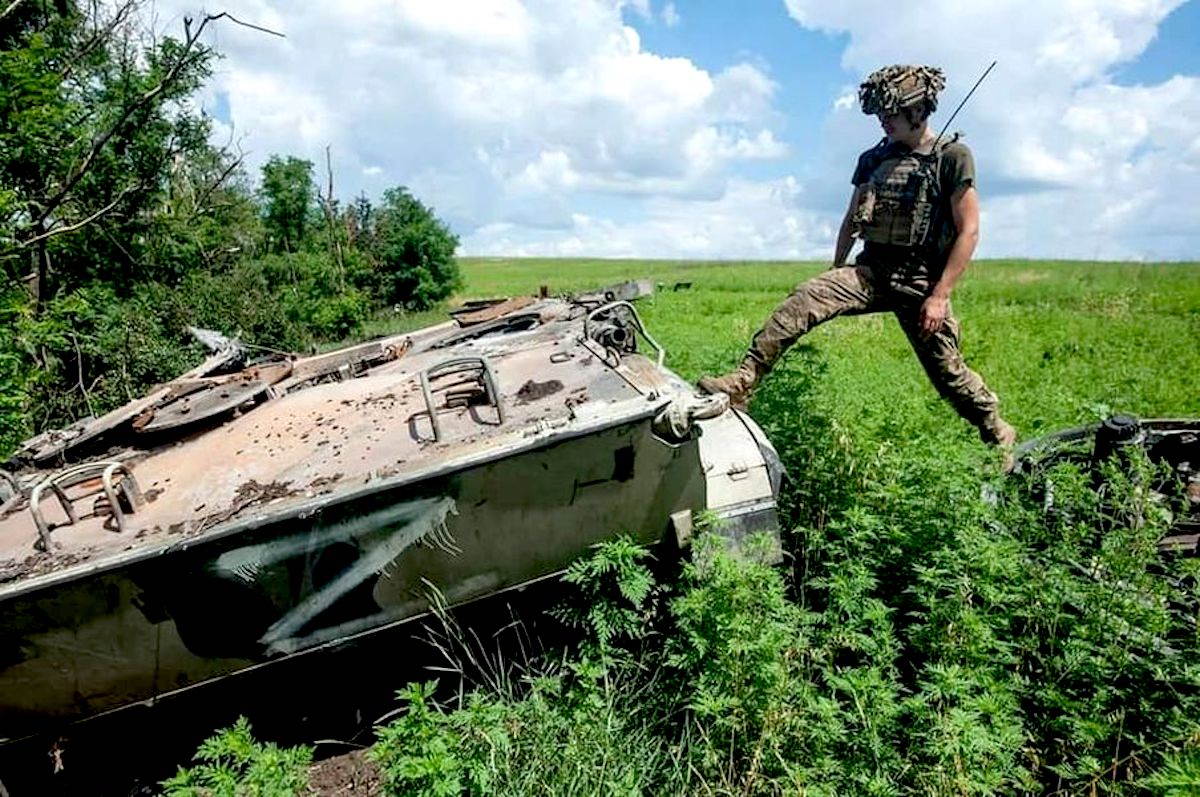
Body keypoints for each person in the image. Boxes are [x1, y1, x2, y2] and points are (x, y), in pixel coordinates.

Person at [698, 64, 1016, 452]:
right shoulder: (872, 159)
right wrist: (834, 273)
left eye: (891, 114)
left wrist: (940, 295)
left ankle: (998, 433)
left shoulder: (952, 157)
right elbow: (851, 219)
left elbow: (969, 231)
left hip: (920, 284)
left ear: (918, 111)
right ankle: (743, 382)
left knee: (949, 374)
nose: (883, 122)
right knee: (803, 300)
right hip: (872, 273)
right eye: (879, 115)